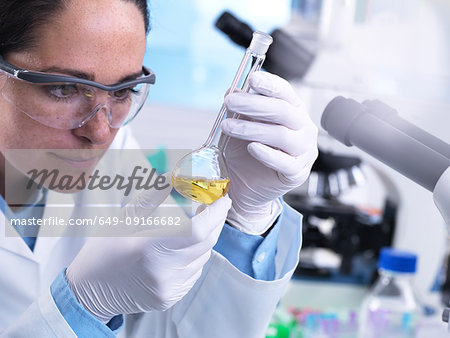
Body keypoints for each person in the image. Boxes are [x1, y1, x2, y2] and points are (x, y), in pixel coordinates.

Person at [0, 0, 318, 337]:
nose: (100, 132)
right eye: (64, 89)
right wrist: (82, 306)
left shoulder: (115, 163)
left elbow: (169, 329)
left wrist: (244, 215)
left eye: (124, 91)